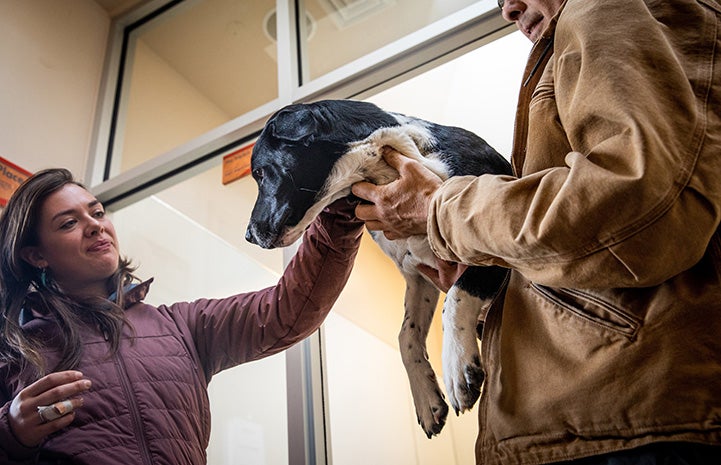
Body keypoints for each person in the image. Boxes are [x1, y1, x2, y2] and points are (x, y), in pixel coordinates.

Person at [352, 0, 721, 464]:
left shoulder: (608, 9)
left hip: (632, 425)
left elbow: (640, 207)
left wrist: (439, 207)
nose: (508, 9)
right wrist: (503, 305)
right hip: (598, 423)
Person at [0, 168, 364, 464]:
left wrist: (342, 209)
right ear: (36, 256)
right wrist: (12, 431)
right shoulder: (15, 349)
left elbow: (289, 309)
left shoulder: (180, 326)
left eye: (97, 212)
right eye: (68, 223)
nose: (96, 225)